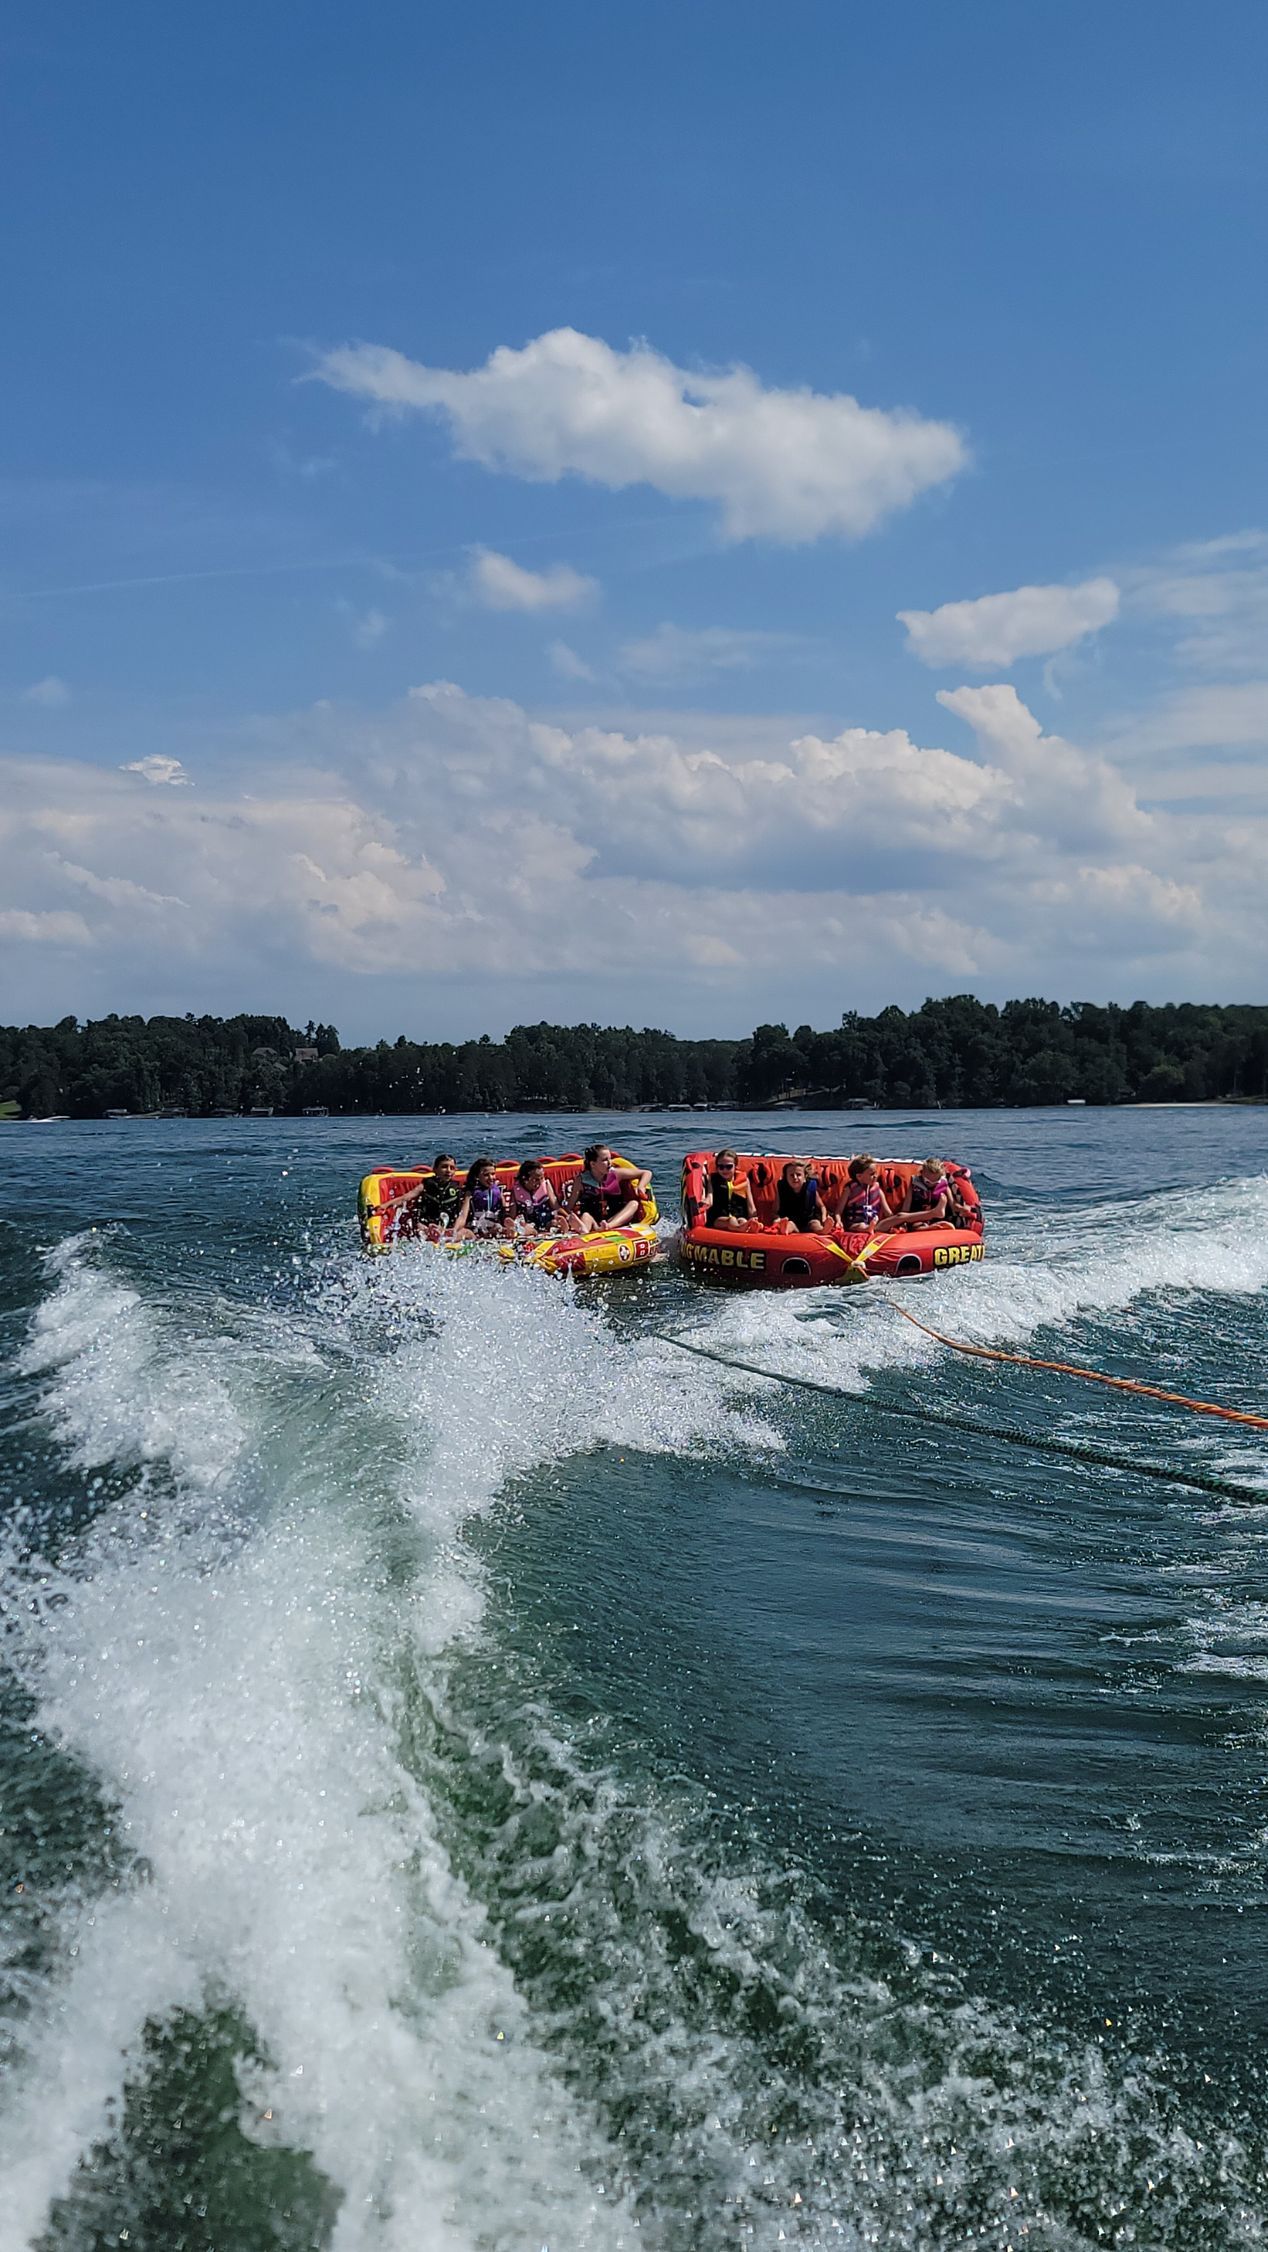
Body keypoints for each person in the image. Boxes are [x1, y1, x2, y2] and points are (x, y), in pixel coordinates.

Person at [563, 1143, 651, 1234]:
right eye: (605, 1160)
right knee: (585, 1216)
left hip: (614, 1220)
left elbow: (646, 1173)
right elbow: (569, 1206)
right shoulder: (581, 1180)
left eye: (610, 1158)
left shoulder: (616, 1174)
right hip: (594, 1222)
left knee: (634, 1204)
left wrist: (641, 1186)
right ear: (593, 1164)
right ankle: (586, 1233)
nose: (610, 1163)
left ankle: (607, 1227)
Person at [836, 1154, 898, 1236]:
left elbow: (887, 1212)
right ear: (859, 1176)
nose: (875, 1176)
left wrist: (893, 1222)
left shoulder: (877, 1190)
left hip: (875, 1223)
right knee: (860, 1225)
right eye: (871, 1174)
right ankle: (867, 1229)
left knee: (895, 1219)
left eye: (875, 1173)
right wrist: (838, 1221)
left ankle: (872, 1227)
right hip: (854, 1224)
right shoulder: (849, 1189)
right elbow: (838, 1211)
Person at [453, 1155, 513, 1239]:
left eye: (493, 1174)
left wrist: (509, 1223)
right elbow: (463, 1216)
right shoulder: (470, 1192)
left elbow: (505, 1214)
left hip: (494, 1230)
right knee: (464, 1233)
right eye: (486, 1175)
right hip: (475, 1232)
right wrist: (455, 1230)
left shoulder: (498, 1191)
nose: (491, 1178)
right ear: (477, 1176)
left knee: (502, 1228)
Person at [404, 1151, 463, 1233]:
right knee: (418, 1227)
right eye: (444, 1167)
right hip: (426, 1225)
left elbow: (463, 1213)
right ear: (435, 1169)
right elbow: (408, 1196)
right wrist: (385, 1205)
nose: (448, 1170)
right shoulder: (427, 1184)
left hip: (448, 1227)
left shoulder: (458, 1188)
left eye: (452, 1168)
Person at [703, 1148, 758, 1231]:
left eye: (729, 1167)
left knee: (742, 1220)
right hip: (718, 1219)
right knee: (731, 1220)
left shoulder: (744, 1180)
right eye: (721, 1167)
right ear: (717, 1167)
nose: (725, 1170)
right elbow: (710, 1196)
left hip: (739, 1216)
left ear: (736, 1166)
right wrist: (705, 1201)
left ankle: (749, 1227)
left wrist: (753, 1217)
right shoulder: (712, 1179)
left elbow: (750, 1204)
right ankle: (740, 1228)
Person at [893, 1157, 951, 1230]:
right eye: (927, 1181)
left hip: (937, 1218)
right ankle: (928, 1228)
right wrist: (903, 1222)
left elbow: (953, 1204)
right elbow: (906, 1205)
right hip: (917, 1217)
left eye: (936, 1182)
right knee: (908, 1220)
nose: (931, 1184)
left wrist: (963, 1209)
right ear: (922, 1173)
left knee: (944, 1219)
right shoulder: (914, 1183)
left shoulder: (944, 1184)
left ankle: (934, 1223)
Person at [776, 1158, 827, 1235]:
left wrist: (824, 1218)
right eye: (791, 1175)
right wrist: (776, 1219)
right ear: (786, 1178)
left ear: (805, 1177)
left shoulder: (810, 1188)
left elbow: (822, 1207)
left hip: (809, 1220)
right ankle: (785, 1230)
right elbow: (774, 1211)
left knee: (815, 1223)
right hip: (791, 1220)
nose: (795, 1177)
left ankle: (822, 1230)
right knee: (790, 1224)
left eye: (798, 1175)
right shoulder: (782, 1189)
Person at [510, 1157, 559, 1233]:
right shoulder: (516, 1190)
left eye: (541, 1178)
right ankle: (531, 1231)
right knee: (522, 1226)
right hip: (527, 1222)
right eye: (536, 1179)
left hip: (545, 1219)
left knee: (554, 1222)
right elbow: (512, 1214)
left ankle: (555, 1227)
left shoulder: (546, 1185)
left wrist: (567, 1216)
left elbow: (556, 1207)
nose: (539, 1182)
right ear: (525, 1178)